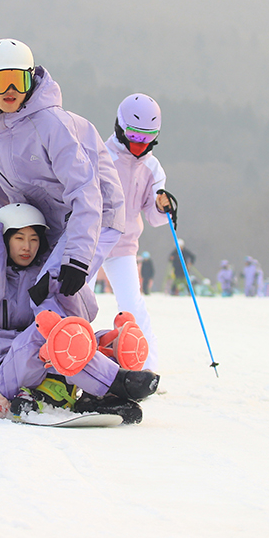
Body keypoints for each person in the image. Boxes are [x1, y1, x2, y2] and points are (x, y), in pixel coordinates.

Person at [0, 38, 126, 320]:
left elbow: (85, 192)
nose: (11, 91)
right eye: (2, 82)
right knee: (18, 289)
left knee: (51, 291)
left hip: (95, 214)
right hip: (44, 224)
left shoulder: (53, 125)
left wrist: (76, 258)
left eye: (19, 81)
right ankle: (4, 356)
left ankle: (86, 359)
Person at [0, 203, 157, 424]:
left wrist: (64, 276)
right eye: (19, 238)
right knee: (48, 335)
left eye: (34, 239)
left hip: (41, 365)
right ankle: (114, 381)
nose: (27, 247)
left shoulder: (40, 275)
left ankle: (104, 381)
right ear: (5, 240)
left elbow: (84, 313)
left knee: (83, 337)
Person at [99, 93, 174, 369]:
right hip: (91, 241)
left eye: (147, 137)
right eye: (134, 136)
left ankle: (146, 368)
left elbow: (154, 217)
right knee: (76, 299)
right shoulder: (101, 156)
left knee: (133, 306)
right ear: (120, 127)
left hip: (124, 246)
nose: (140, 145)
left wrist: (161, 205)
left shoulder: (152, 167)